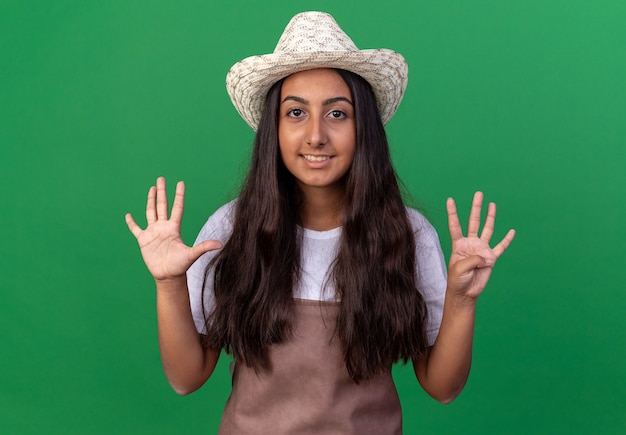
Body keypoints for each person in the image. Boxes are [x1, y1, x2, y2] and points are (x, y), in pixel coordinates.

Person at [125, 11, 515, 434]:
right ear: (272, 129)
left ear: (363, 127)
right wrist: (168, 285)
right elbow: (186, 378)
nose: (315, 135)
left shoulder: (407, 233)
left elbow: (443, 388)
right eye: (295, 113)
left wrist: (462, 300)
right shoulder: (230, 229)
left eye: (336, 114)